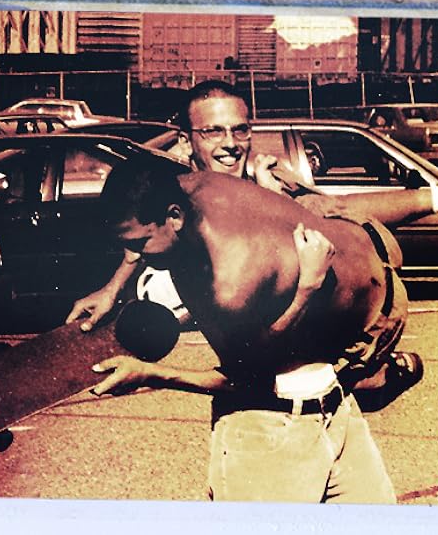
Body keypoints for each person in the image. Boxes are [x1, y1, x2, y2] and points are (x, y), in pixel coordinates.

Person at [68, 80, 438, 408]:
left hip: (323, 331)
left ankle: (374, 379)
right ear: (185, 138)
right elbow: (143, 231)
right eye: (212, 132)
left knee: (321, 382)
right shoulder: (174, 193)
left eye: (240, 130)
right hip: (245, 338)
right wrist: (113, 287)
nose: (229, 144)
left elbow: (337, 210)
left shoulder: (265, 189)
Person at [90, 160, 405, 502]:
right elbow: (247, 377)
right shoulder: (194, 190)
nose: (134, 256)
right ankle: (382, 377)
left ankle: (379, 379)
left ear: (175, 216)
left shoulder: (227, 271)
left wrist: (307, 288)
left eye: (139, 244)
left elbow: (243, 372)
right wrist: (113, 290)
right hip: (267, 430)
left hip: (336, 405)